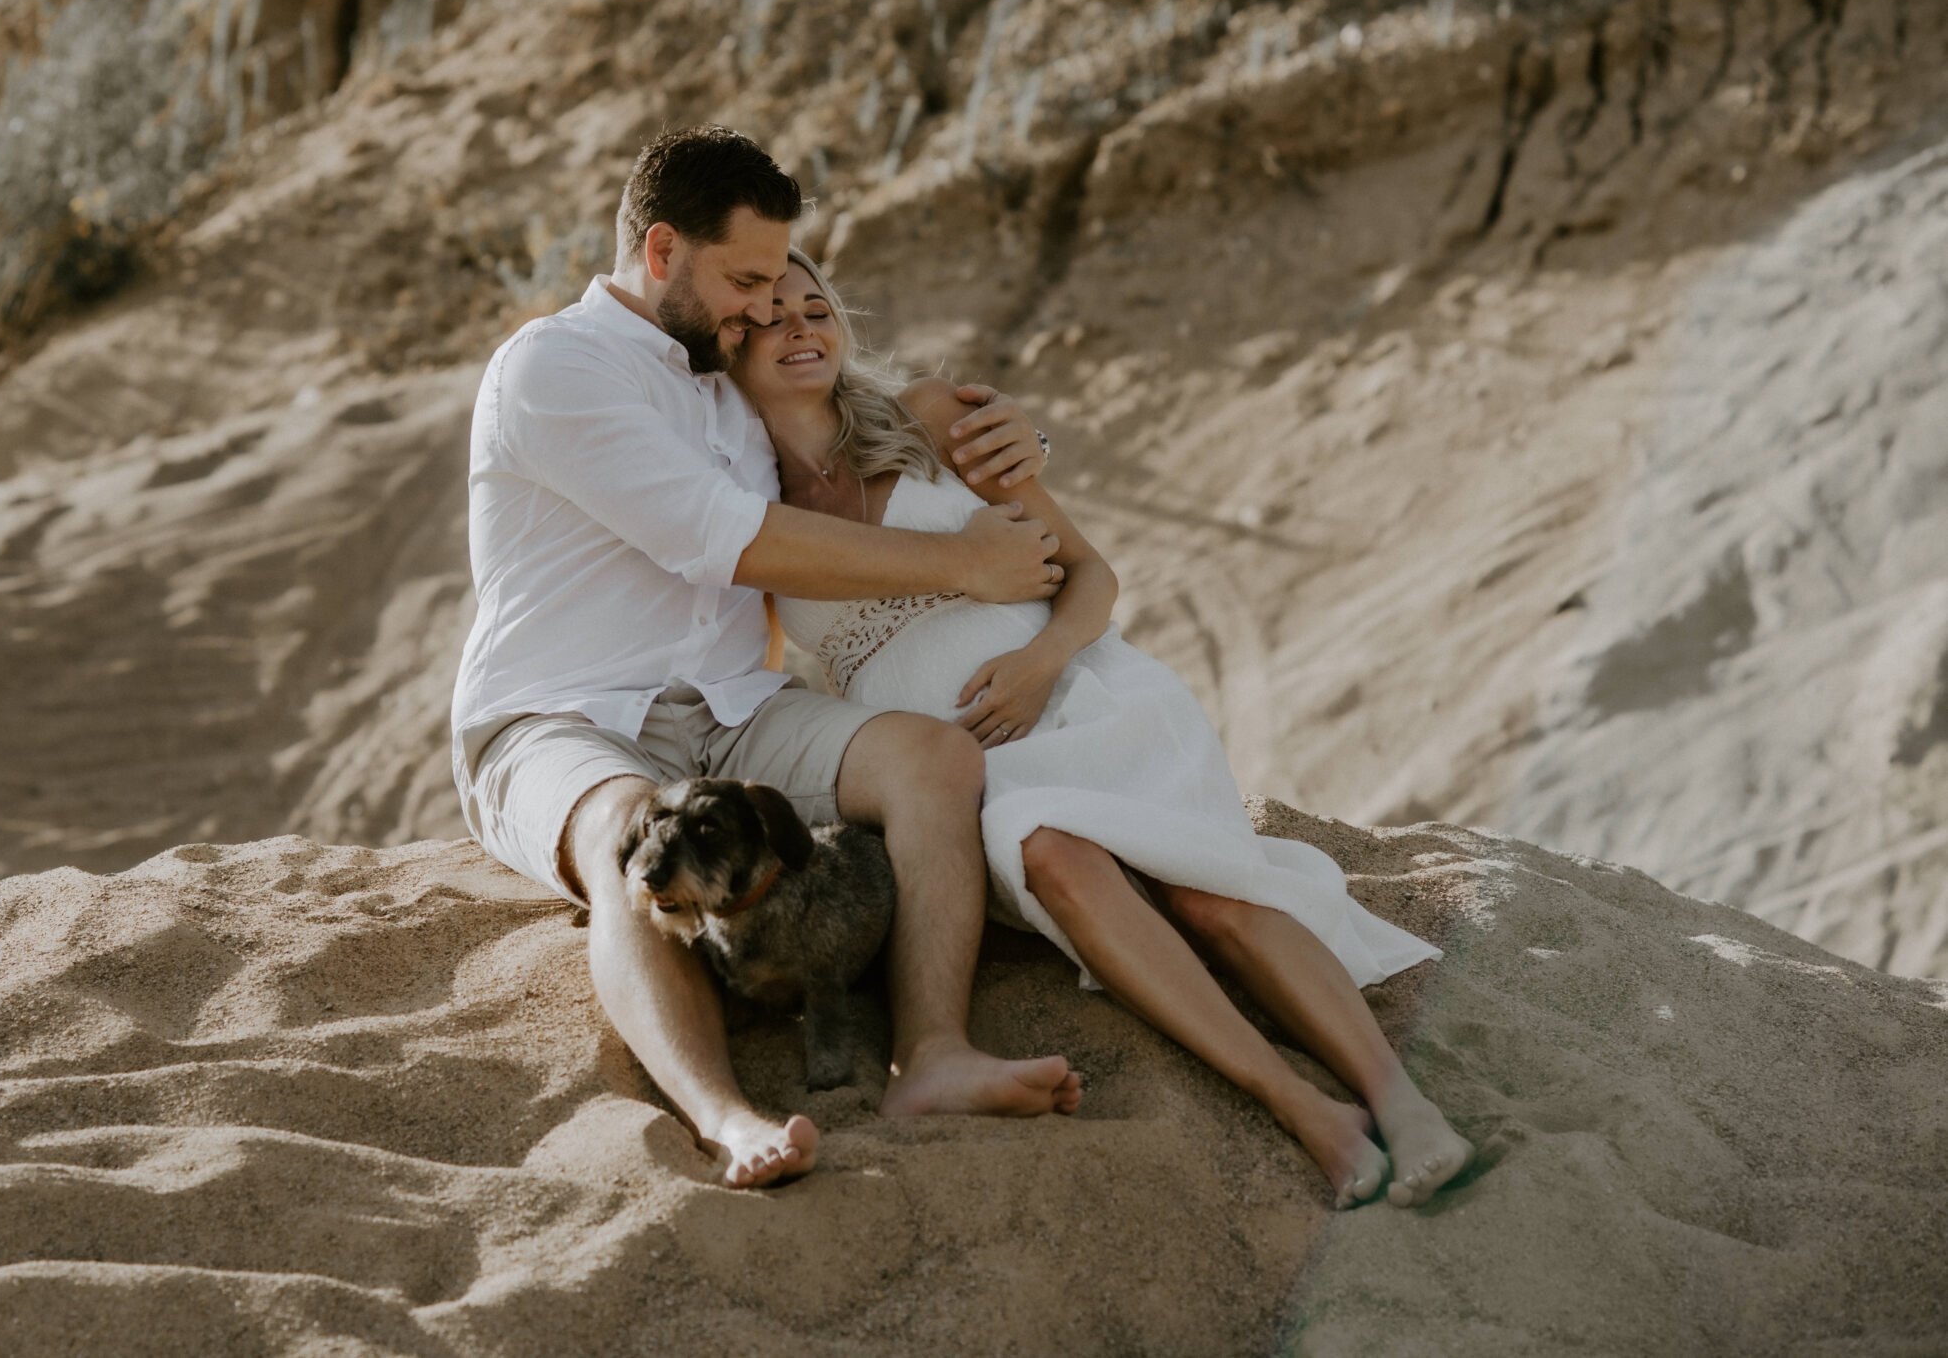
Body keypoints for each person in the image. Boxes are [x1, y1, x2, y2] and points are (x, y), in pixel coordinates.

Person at [732, 248, 1474, 1209]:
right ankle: (1302, 1108)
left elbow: (1090, 573)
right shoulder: (748, 510)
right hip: (968, 765)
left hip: (1087, 695)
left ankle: (1401, 1103)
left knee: (1212, 898)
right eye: (771, 315)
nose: (800, 325)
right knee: (1050, 854)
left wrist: (1041, 668)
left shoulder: (930, 415)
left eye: (815, 306)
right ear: (732, 351)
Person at [451, 126, 1081, 1191]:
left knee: (933, 761)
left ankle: (932, 1054)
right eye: (743, 278)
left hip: (737, 707)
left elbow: (850, 416)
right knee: (629, 832)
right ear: (660, 253)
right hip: (565, 717)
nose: (762, 303)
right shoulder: (554, 367)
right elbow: (731, 537)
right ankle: (726, 1117)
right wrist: (964, 564)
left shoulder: (722, 371)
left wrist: (1010, 439)